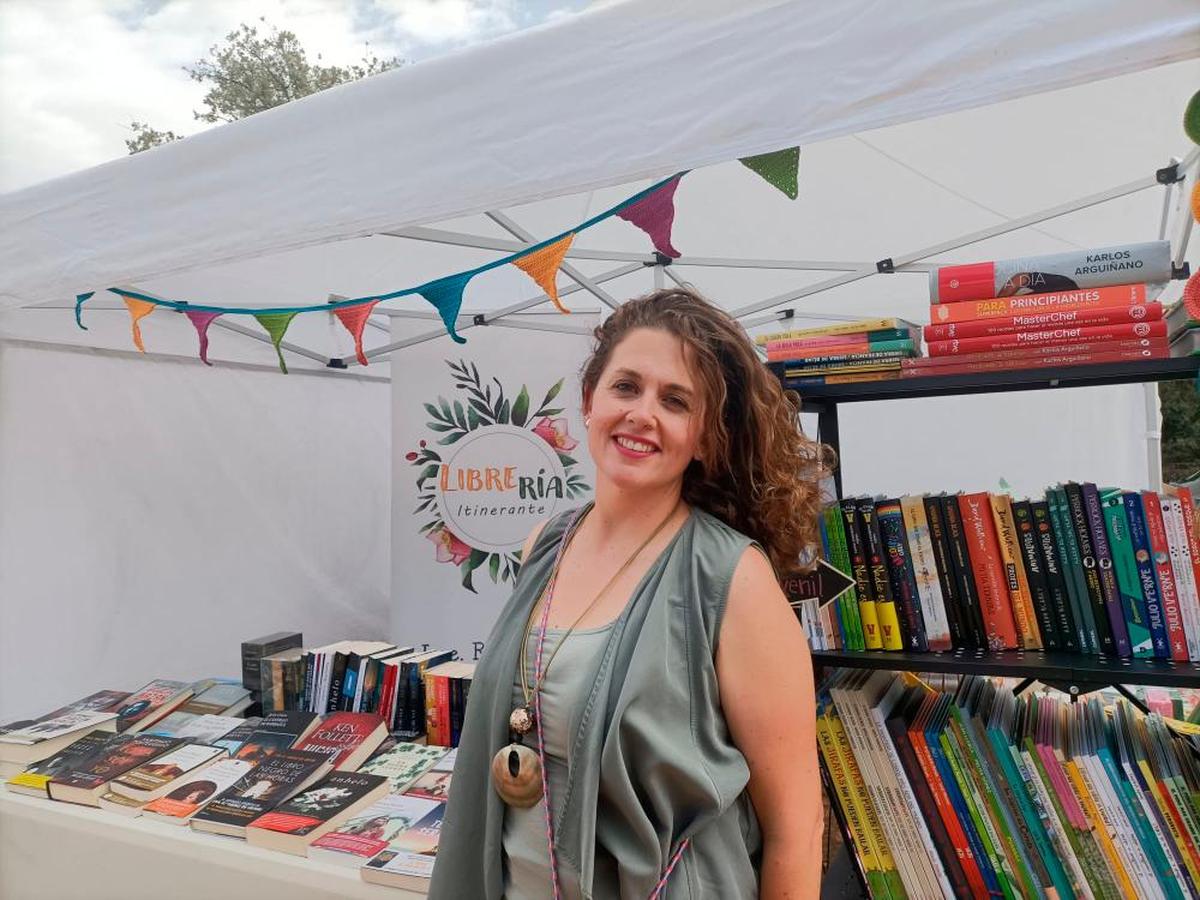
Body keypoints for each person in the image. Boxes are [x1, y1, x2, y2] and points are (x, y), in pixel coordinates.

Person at [430, 288, 829, 899]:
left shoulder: (732, 580)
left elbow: (796, 830)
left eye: (675, 401)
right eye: (626, 387)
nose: (643, 414)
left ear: (704, 437)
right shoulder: (547, 543)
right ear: (590, 402)